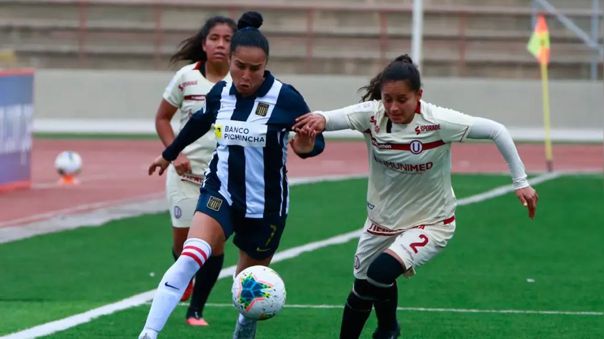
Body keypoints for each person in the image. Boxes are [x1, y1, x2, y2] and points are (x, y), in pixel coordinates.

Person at [293, 54, 538, 339]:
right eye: (388, 99)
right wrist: (315, 122)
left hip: (431, 222)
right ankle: (388, 329)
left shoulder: (439, 121)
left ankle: (386, 330)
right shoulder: (370, 115)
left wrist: (521, 182)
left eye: (402, 99)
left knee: (381, 273)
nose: (394, 107)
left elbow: (497, 130)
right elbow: (329, 118)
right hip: (381, 221)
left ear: (419, 95)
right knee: (362, 288)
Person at [139, 11, 324, 339]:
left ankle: (245, 325)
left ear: (266, 65)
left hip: (265, 206)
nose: (246, 76)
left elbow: (313, 143)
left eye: (256, 69)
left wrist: (307, 144)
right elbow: (199, 121)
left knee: (248, 286)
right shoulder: (221, 93)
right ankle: (149, 333)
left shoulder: (286, 97)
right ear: (232, 61)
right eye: (240, 66)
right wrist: (168, 154)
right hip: (219, 192)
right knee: (189, 257)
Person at [154, 15, 236, 327]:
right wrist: (174, 155)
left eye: (227, 39)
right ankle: (186, 277)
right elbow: (163, 118)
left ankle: (196, 309)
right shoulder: (186, 77)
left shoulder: (240, 83)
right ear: (204, 43)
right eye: (214, 38)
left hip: (220, 180)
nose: (220, 44)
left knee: (214, 245)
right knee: (182, 245)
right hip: (185, 176)